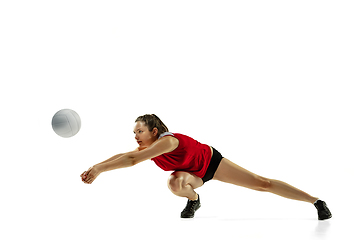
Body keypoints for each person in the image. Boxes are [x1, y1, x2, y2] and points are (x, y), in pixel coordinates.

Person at [81, 114, 332, 220]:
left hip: (212, 164)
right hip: (191, 175)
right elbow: (125, 155)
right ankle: (194, 200)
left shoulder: (166, 142)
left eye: (140, 131)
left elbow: (131, 160)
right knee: (174, 183)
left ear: (154, 131)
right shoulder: (146, 148)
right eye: (134, 131)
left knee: (261, 183)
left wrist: (100, 171)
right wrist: (96, 166)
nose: (135, 135)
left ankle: (315, 201)